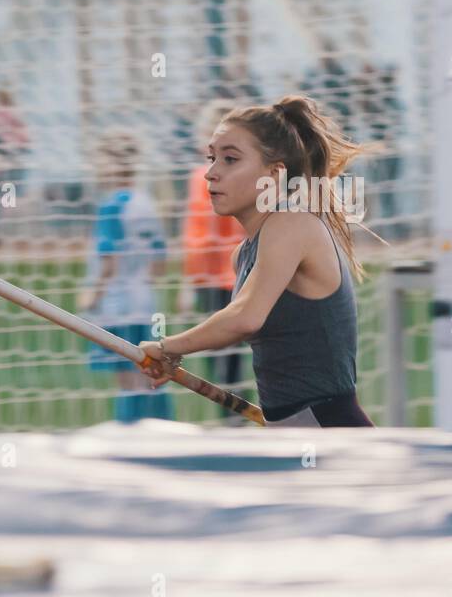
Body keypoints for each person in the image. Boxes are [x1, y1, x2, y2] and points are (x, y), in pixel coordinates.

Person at [137, 95, 376, 427]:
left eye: (230, 159)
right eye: (211, 158)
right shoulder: (245, 251)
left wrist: (169, 347)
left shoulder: (291, 223)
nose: (210, 174)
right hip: (292, 432)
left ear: (275, 173)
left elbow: (245, 317)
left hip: (329, 432)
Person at [80, 130, 172, 422]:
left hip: (117, 306)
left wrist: (90, 297)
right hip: (145, 301)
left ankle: (130, 434)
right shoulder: (146, 202)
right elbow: (160, 261)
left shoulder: (112, 205)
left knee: (127, 381)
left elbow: (109, 262)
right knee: (150, 376)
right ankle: (161, 427)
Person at [178, 100, 246, 402]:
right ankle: (238, 417)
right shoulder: (247, 174)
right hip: (240, 272)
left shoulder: (201, 178)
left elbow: (200, 237)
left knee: (220, 355)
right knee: (232, 356)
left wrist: (190, 282)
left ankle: (233, 419)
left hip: (219, 276)